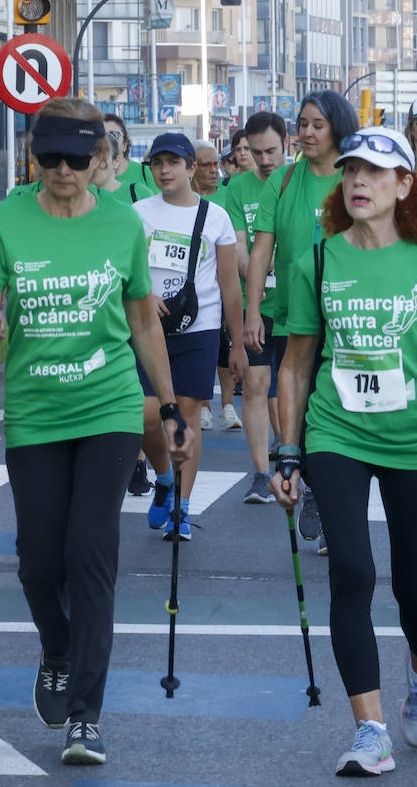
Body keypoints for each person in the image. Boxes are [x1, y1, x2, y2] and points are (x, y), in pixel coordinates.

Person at [0, 99, 196, 765]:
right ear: (35, 157)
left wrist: (172, 406)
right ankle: (56, 649)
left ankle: (85, 718)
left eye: (75, 159)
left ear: (99, 159)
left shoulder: (123, 226)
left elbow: (146, 324)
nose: (62, 171)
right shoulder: (6, 220)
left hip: (109, 408)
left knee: (91, 556)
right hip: (36, 411)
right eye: (49, 159)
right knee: (39, 560)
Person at [270, 126, 417, 777]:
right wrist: (287, 450)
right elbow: (296, 366)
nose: (359, 181)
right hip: (338, 431)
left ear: (405, 186)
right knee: (353, 573)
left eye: (376, 173)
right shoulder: (319, 261)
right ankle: (370, 731)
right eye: (351, 170)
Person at [245, 91, 359, 546]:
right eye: (303, 123)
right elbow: (260, 251)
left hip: (349, 318)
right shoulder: (285, 181)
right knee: (305, 410)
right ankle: (313, 484)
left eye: (317, 124)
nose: (307, 132)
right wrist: (253, 310)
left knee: (336, 411)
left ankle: (330, 496)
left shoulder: (356, 176)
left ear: (337, 127)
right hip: (293, 318)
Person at [133, 133, 246, 541]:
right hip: (148, 329)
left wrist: (234, 343)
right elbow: (128, 269)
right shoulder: (138, 213)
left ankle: (181, 506)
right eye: (158, 163)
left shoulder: (215, 217)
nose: (165, 170)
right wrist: (144, 293)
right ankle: (164, 477)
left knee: (184, 415)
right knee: (148, 413)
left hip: (199, 329)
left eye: (173, 162)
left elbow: (230, 285)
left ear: (191, 169)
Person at [224, 111, 288, 509]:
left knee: (300, 388)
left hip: (298, 304)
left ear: (287, 144)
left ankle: (299, 460)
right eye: (256, 152)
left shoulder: (300, 181)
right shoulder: (238, 187)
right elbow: (239, 245)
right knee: (257, 384)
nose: (265, 160)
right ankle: (261, 474)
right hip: (257, 304)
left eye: (271, 151)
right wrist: (257, 281)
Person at [192, 140, 240, 432]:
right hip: (190, 287)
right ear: (192, 168)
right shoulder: (183, 200)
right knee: (202, 349)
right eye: (207, 165)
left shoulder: (227, 195)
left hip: (223, 283)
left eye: (216, 164)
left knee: (225, 346)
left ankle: (229, 407)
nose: (214, 170)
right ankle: (203, 407)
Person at [102, 115, 153, 190]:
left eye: (113, 135)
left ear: (125, 144)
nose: (107, 140)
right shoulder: (89, 177)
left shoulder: (146, 173)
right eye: (101, 135)